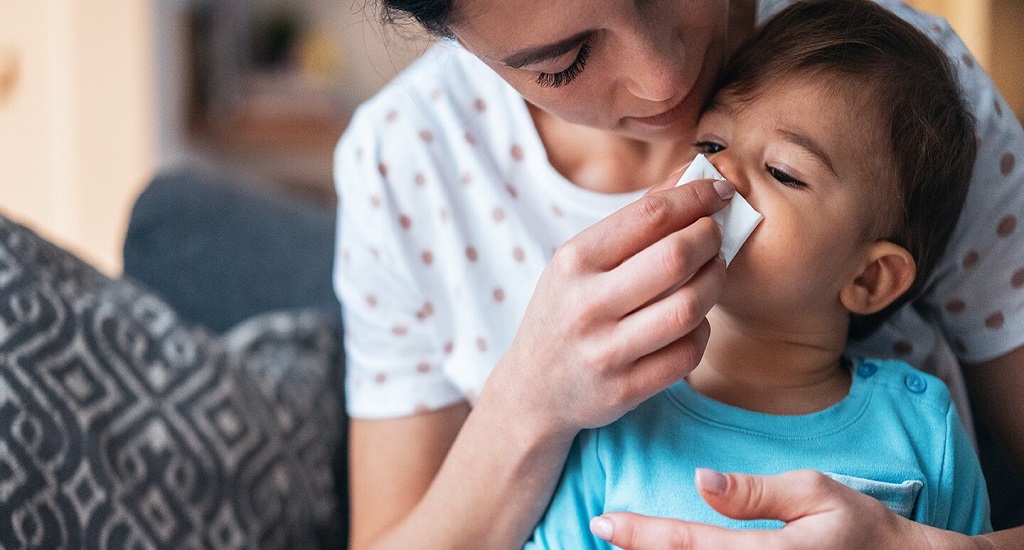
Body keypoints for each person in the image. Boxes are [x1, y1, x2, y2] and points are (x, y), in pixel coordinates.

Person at [333, 0, 1024, 547]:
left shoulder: (907, 95)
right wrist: (529, 403)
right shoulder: (402, 162)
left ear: (873, 276)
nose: (667, 81)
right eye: (566, 62)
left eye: (782, 172)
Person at [525, 1, 988, 546]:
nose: (720, 172)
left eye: (783, 172)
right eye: (711, 145)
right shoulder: (617, 421)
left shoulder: (922, 431)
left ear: (869, 279)